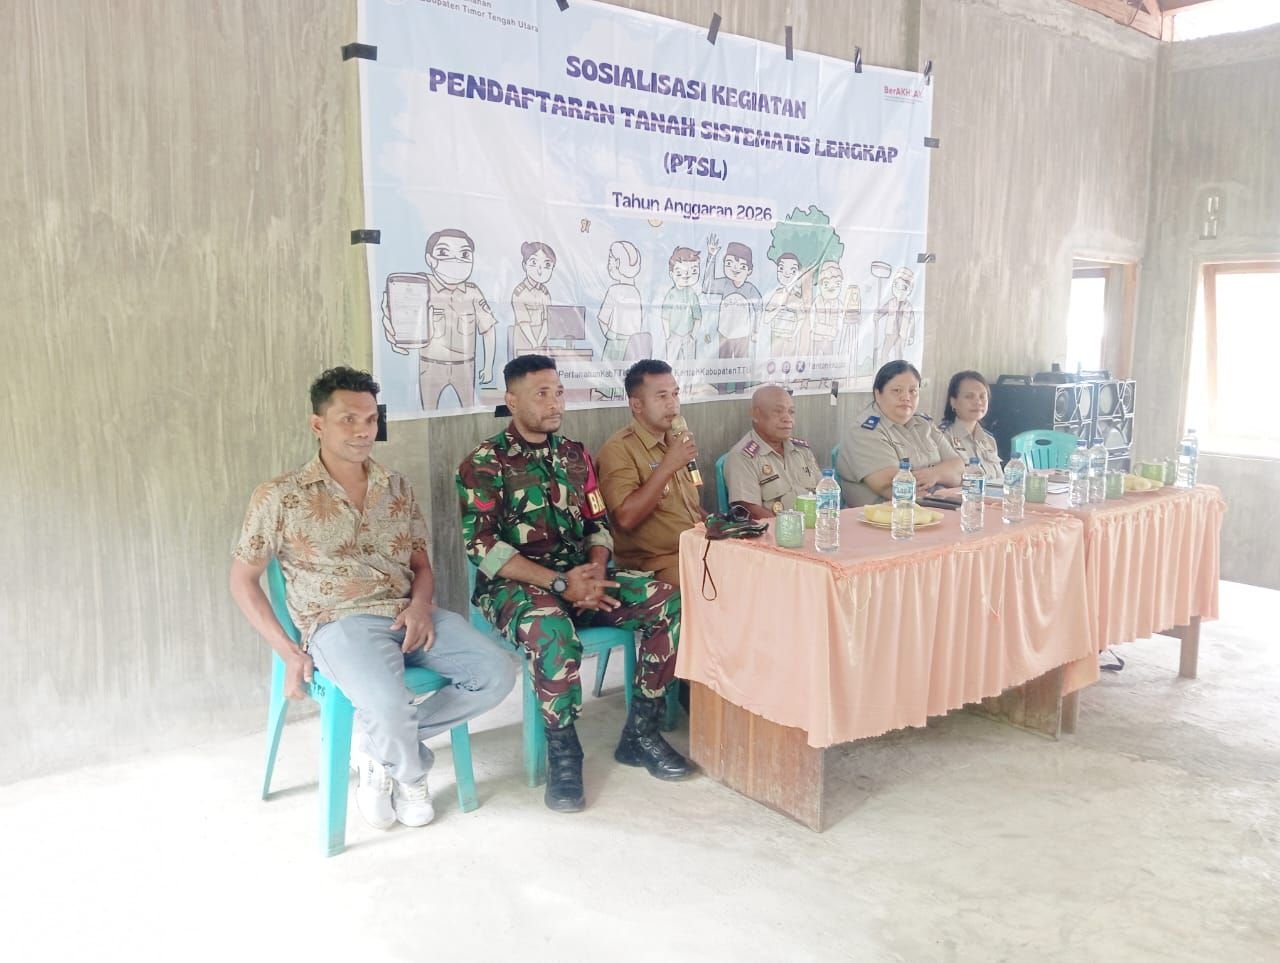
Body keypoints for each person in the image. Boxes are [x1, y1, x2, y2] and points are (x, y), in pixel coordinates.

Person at [229, 367, 516, 832]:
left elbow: (422, 565)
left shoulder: (396, 487)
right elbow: (243, 580)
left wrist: (420, 606)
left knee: (496, 672)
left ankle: (378, 748)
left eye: (370, 419)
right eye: (348, 419)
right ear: (318, 424)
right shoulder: (280, 496)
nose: (363, 431)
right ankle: (410, 775)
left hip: (408, 614)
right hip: (339, 623)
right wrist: (288, 652)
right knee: (387, 703)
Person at [457, 355, 691, 813]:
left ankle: (641, 733)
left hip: (582, 578)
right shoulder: (483, 463)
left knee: (667, 602)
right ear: (512, 401)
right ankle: (564, 752)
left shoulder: (574, 455)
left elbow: (598, 524)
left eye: (559, 392)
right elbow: (483, 549)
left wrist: (597, 571)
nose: (554, 403)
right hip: (516, 587)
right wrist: (561, 583)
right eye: (541, 394)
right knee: (552, 630)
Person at [597, 359, 705, 587]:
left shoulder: (675, 440)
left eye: (675, 394)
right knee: (713, 588)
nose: (672, 404)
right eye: (662, 396)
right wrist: (668, 466)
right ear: (637, 405)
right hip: (653, 565)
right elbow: (625, 519)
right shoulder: (619, 449)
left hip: (696, 549)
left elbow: (686, 508)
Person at [382, 228, 498, 411]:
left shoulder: (473, 293)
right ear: (430, 260)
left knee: (469, 413)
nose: (455, 261)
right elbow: (398, 314)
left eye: (464, 255)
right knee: (427, 414)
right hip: (431, 365)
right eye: (443, 252)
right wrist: (395, 334)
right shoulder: (419, 286)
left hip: (464, 367)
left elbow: (488, 330)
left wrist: (489, 366)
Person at [836, 360, 964, 506]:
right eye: (897, 390)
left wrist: (934, 474)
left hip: (936, 506)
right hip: (889, 515)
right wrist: (944, 477)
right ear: (878, 394)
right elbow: (891, 486)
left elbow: (958, 467)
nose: (906, 397)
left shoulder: (924, 424)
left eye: (913, 391)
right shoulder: (864, 431)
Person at [722, 385, 822, 519]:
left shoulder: (802, 450)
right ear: (756, 415)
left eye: (791, 412)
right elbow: (749, 510)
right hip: (778, 530)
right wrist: (790, 527)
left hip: (816, 526)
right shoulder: (742, 457)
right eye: (778, 411)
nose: (787, 419)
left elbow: (824, 493)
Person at [939, 370, 1005, 486]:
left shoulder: (989, 440)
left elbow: (1001, 481)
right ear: (953, 402)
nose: (978, 402)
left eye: (982, 396)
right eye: (969, 396)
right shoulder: (942, 437)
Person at [511, 241, 556, 356]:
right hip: (524, 342)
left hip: (541, 343)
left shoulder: (545, 293)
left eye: (547, 265)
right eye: (534, 262)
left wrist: (539, 343)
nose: (540, 270)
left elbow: (547, 320)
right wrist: (534, 344)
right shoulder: (519, 292)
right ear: (524, 265)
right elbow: (523, 323)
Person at [660, 247, 702, 362]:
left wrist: (693, 336)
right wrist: (668, 336)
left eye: (693, 271)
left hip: (688, 336)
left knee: (689, 364)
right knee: (670, 363)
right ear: (672, 274)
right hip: (674, 335)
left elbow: (698, 318)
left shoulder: (692, 295)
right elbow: (665, 317)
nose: (686, 276)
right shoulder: (671, 294)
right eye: (679, 273)